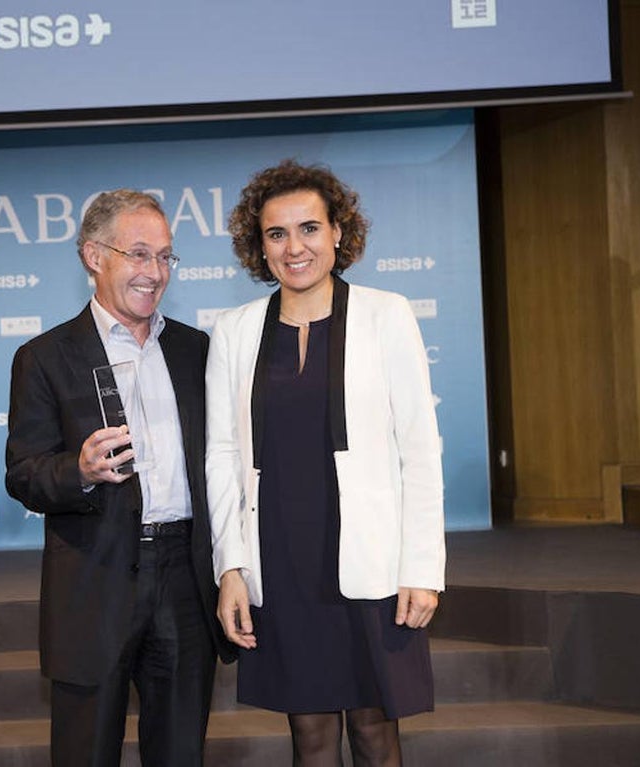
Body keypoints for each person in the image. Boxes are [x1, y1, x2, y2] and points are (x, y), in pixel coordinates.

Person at [205, 160, 445, 766]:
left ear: (338, 231)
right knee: (309, 740)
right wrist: (230, 567)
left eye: (309, 228)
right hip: (281, 559)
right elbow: (223, 456)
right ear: (259, 246)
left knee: (375, 734)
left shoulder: (387, 314)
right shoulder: (233, 331)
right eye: (276, 233)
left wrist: (422, 568)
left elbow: (419, 450)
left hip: (372, 561)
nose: (295, 248)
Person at [5, 189, 234, 766]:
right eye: (138, 254)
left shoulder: (195, 349)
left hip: (185, 579)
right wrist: (79, 470)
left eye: (165, 256)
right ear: (93, 256)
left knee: (180, 753)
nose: (154, 272)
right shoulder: (45, 356)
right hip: (94, 579)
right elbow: (24, 474)